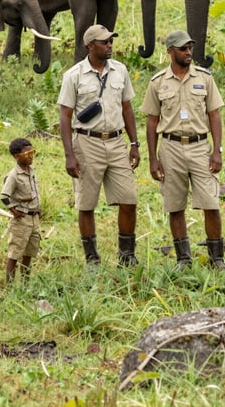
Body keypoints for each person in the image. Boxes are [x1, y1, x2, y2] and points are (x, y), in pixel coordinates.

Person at [142, 30, 225, 270]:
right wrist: (153, 159)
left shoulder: (204, 78)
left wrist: (217, 150)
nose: (189, 52)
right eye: (183, 48)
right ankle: (183, 258)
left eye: (190, 47)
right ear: (170, 51)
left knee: (211, 203)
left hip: (200, 146)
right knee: (174, 205)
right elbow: (151, 121)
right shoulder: (158, 82)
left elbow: (215, 115)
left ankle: (216, 257)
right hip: (170, 147)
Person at [58, 24, 141, 267]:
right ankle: (92, 259)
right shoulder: (73, 75)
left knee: (129, 199)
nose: (110, 46)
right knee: (87, 203)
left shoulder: (120, 71)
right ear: (90, 46)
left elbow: (127, 108)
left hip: (116, 142)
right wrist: (69, 155)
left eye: (111, 41)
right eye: (104, 42)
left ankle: (127, 255)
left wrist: (134, 143)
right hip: (87, 142)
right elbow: (65, 116)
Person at [0, 138, 42, 283]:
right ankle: (9, 286)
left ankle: (25, 283)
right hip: (21, 219)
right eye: (27, 154)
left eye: (32, 152)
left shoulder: (32, 171)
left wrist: (38, 209)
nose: (31, 156)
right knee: (15, 253)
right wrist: (13, 211)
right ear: (16, 157)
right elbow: (4, 196)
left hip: (33, 218)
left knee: (29, 252)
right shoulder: (13, 176)